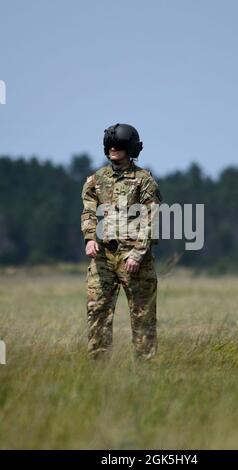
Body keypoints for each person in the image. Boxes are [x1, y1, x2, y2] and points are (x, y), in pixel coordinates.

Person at [81, 123, 163, 361]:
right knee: (97, 311)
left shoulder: (144, 180)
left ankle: (145, 368)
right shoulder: (96, 179)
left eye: (119, 145)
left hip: (135, 259)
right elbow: (87, 212)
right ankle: (99, 368)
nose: (113, 149)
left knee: (142, 315)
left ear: (131, 148)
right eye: (110, 145)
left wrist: (138, 253)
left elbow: (152, 218)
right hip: (104, 257)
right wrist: (89, 238)